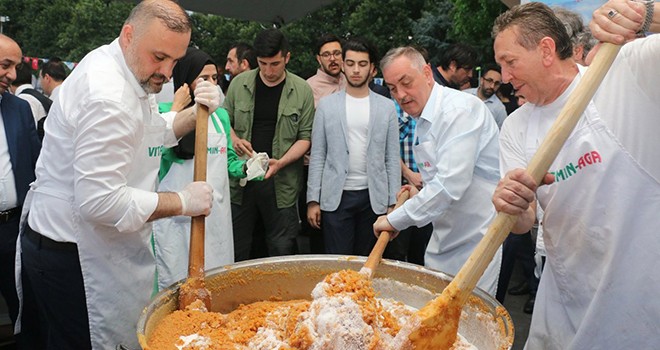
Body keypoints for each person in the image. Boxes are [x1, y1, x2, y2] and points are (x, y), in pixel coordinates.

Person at [17, 1, 218, 348]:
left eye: (176, 61)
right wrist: (182, 201)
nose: (168, 72)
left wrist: (195, 114)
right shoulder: (107, 94)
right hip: (75, 256)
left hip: (85, 248)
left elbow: (147, 131)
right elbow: (100, 201)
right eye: (159, 57)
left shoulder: (127, 67)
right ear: (128, 35)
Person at [491, 1, 660, 348]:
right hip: (565, 295)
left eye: (510, 62)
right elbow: (524, 221)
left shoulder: (625, 73)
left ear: (547, 49)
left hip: (640, 293)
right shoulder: (515, 127)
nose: (505, 78)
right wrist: (512, 206)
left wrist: (648, 13)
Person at [374, 47, 502, 296]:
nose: (400, 95)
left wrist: (394, 220)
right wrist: (417, 191)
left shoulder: (459, 110)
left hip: (476, 243)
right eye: (392, 88)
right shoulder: (422, 119)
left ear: (426, 73)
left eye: (406, 83)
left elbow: (448, 186)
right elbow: (437, 179)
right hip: (443, 240)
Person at [153, 47, 263, 291]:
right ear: (185, 79)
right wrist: (178, 110)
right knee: (176, 284)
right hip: (177, 218)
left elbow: (227, 160)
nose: (212, 84)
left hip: (216, 218)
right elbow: (157, 160)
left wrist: (247, 168)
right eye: (203, 79)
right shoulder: (164, 115)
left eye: (215, 78)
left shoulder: (221, 116)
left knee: (217, 281)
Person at [224, 28, 315, 261]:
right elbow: (223, 121)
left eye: (275, 64)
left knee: (281, 248)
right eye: (263, 64)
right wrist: (234, 138)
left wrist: (281, 162)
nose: (269, 71)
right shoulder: (238, 84)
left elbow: (305, 138)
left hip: (281, 182)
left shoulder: (302, 90)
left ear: (287, 57)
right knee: (237, 247)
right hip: (241, 180)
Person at [307, 38, 399, 256]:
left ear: (372, 69)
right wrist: (313, 199)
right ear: (343, 66)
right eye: (350, 63)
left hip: (373, 198)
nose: (356, 70)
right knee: (337, 263)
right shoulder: (327, 106)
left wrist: (393, 202)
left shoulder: (386, 107)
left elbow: (392, 157)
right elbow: (318, 154)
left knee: (368, 263)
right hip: (336, 198)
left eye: (362, 64)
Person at [0, 34, 41, 350]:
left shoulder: (20, 109)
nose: (12, 75)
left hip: (14, 230)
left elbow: (38, 166)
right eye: (5, 65)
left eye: (15, 67)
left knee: (24, 310)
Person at [306, 33, 346, 106]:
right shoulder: (309, 88)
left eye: (337, 53)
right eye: (326, 55)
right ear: (319, 59)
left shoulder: (349, 81)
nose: (332, 59)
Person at [464, 64, 508, 129]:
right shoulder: (465, 95)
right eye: (489, 81)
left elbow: (501, 133)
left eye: (497, 83)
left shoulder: (499, 108)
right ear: (482, 80)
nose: (492, 86)